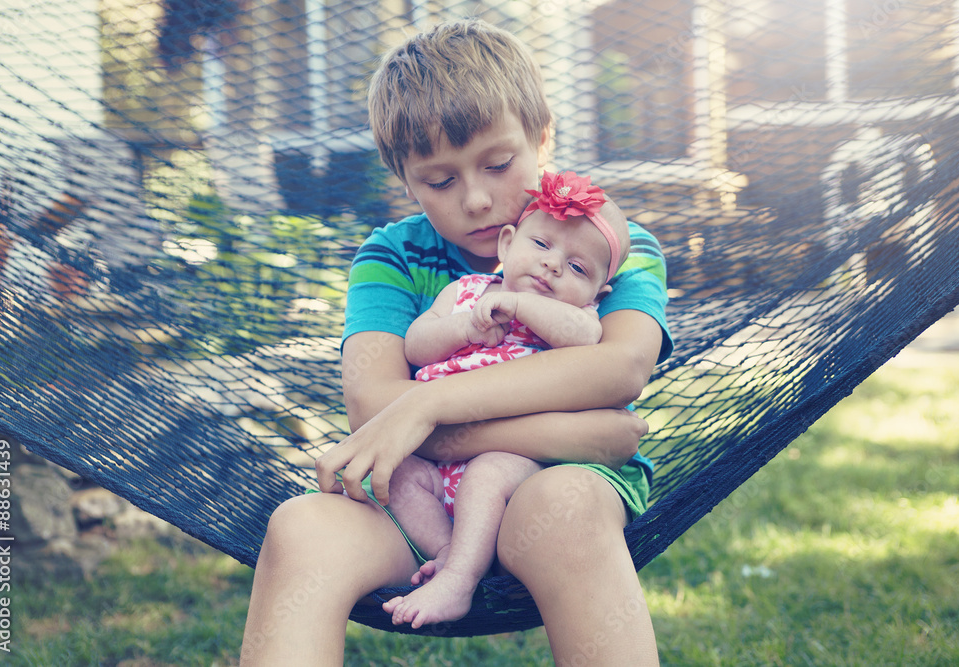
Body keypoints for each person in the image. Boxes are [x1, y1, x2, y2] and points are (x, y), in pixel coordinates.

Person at [241, 18, 673, 666]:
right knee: (301, 528)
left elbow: (620, 367)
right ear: (406, 183)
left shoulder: (606, 246)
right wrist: (569, 430)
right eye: (439, 181)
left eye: (499, 164)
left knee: (567, 505)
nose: (477, 199)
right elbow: (371, 406)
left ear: (542, 138)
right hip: (421, 503)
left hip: (554, 484)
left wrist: (425, 406)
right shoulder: (389, 257)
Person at [382, 170, 632, 629]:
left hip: (512, 457)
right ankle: (447, 551)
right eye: (541, 246)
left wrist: (521, 306)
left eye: (578, 268)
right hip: (436, 463)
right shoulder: (465, 293)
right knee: (399, 474)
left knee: (486, 473)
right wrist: (460, 328)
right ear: (506, 245)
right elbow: (416, 345)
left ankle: (460, 579)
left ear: (599, 293)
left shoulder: (575, 316)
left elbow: (586, 337)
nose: (553, 265)